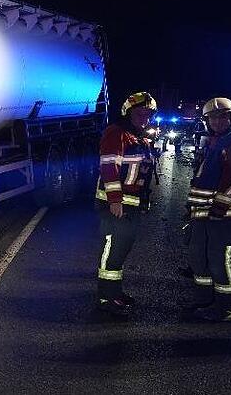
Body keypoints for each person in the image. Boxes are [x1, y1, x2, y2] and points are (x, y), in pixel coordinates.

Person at [94, 91, 157, 316]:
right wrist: (114, 200)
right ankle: (105, 296)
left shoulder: (140, 137)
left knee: (122, 249)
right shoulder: (116, 133)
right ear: (128, 113)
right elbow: (109, 166)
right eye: (140, 113)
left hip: (130, 205)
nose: (144, 117)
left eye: (147, 114)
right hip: (115, 204)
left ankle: (115, 292)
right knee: (112, 249)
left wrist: (143, 202)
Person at [186, 97, 231, 321]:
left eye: (222, 116)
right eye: (212, 117)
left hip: (226, 216)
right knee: (203, 257)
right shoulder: (217, 141)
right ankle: (206, 300)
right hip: (206, 213)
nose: (217, 121)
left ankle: (228, 308)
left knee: (222, 261)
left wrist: (219, 207)